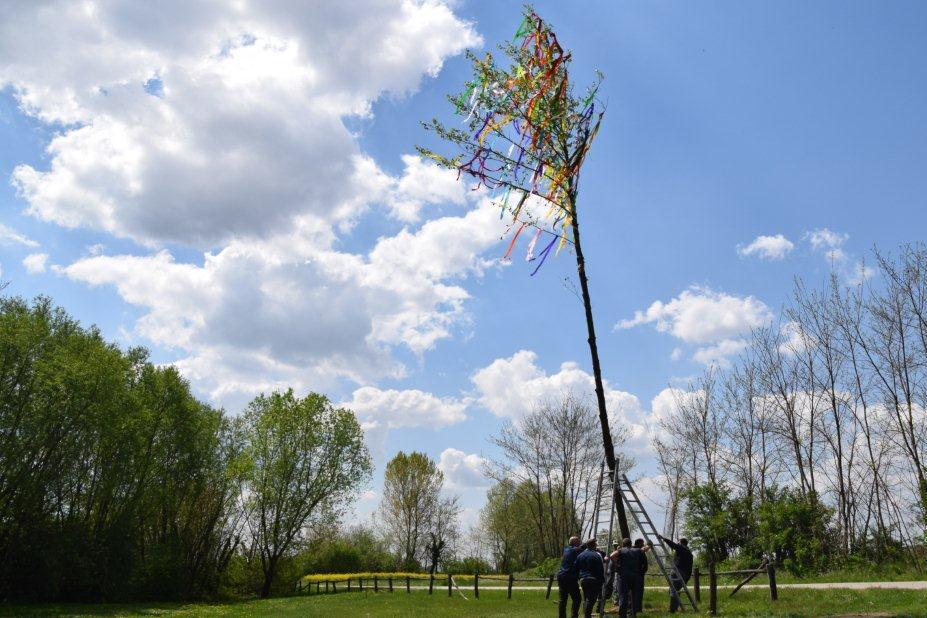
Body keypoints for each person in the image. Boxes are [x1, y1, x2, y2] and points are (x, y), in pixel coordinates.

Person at [609, 538, 651, 618]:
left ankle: (622, 615)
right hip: (635, 576)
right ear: (631, 544)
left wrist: (617, 564)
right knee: (634, 596)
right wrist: (649, 545)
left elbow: (612, 556)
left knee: (623, 596)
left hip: (623, 576)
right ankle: (633, 614)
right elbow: (644, 549)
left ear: (623, 544)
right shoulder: (637, 550)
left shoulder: (621, 550)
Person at [658, 535, 693, 613]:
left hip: (677, 572)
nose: (677, 543)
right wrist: (687, 579)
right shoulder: (689, 553)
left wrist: (664, 538)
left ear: (681, 543)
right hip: (685, 574)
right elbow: (690, 568)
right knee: (677, 591)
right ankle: (675, 608)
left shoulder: (681, 549)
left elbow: (673, 545)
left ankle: (672, 610)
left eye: (678, 542)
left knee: (673, 590)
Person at [575, 538, 606, 618]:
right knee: (591, 600)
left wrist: (579, 578)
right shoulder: (597, 555)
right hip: (594, 580)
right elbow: (601, 569)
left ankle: (586, 614)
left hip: (583, 580)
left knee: (586, 598)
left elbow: (576, 568)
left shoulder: (580, 555)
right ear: (594, 545)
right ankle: (587, 615)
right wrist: (602, 581)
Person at [557, 536, 585, 618]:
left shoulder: (566, 549)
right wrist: (589, 543)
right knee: (577, 598)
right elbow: (581, 548)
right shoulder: (573, 550)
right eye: (578, 541)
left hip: (561, 576)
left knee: (563, 599)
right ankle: (574, 616)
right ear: (574, 543)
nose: (579, 542)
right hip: (569, 576)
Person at [633, 538, 649, 613]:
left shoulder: (633, 550)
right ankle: (637, 608)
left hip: (637, 574)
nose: (643, 545)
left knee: (636, 592)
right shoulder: (637, 551)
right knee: (638, 592)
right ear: (638, 544)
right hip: (638, 574)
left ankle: (636, 608)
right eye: (642, 543)